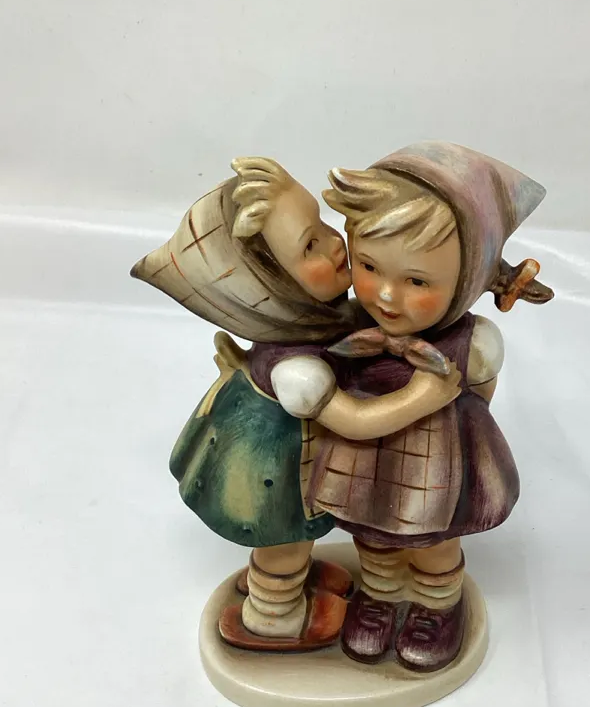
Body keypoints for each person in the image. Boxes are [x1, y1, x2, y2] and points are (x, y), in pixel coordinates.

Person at [132, 157, 459, 652]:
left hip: (285, 453)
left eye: (322, 227)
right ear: (269, 286)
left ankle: (287, 584)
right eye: (310, 246)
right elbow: (355, 422)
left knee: (289, 543)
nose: (334, 244)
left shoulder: (316, 317)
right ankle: (274, 614)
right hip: (274, 469)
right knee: (283, 543)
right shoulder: (298, 369)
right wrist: (422, 397)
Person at [305, 141, 553, 671]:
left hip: (439, 466)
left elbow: (481, 391)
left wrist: (459, 431)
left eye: (416, 280)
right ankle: (379, 596)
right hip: (362, 459)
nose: (386, 296)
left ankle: (436, 606)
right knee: (371, 537)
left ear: (468, 280)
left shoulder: (474, 343)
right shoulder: (348, 327)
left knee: (434, 544)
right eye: (369, 266)